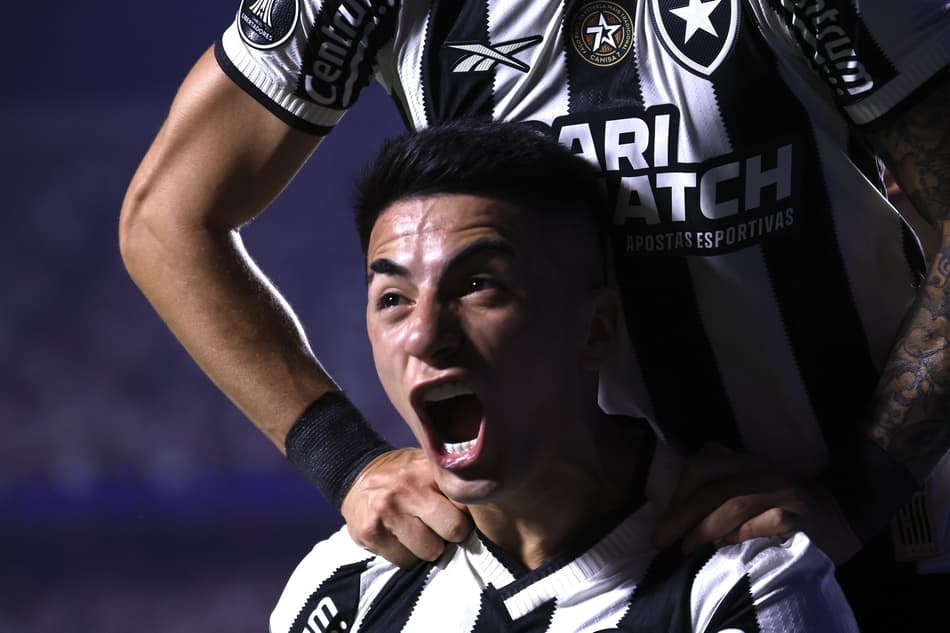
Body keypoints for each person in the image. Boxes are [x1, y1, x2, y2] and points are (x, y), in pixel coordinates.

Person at [118, 0, 950, 629]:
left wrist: (856, 491)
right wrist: (344, 457)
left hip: (865, 548)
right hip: (574, 571)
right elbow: (167, 217)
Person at [269, 117, 858, 633]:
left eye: (477, 286)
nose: (424, 334)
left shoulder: (744, 587)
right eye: (393, 297)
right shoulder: (343, 589)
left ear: (596, 329)